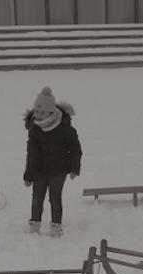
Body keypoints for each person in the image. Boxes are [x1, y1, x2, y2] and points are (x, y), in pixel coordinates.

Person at [23, 86, 82, 237]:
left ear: (50, 112)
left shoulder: (64, 128)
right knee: (37, 198)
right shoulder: (35, 129)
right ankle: (34, 226)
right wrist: (29, 176)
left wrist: (74, 168)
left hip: (58, 170)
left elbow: (75, 149)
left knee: (55, 198)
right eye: (36, 111)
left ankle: (56, 227)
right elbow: (32, 155)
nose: (38, 115)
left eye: (42, 112)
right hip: (40, 172)